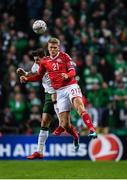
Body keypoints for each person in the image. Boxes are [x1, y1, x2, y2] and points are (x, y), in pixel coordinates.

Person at [20, 38, 97, 139]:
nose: (53, 49)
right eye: (51, 47)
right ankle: (75, 136)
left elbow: (73, 71)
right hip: (59, 92)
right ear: (48, 48)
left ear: (58, 48)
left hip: (71, 86)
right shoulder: (45, 61)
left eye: (55, 48)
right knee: (64, 124)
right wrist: (27, 79)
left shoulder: (64, 56)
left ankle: (91, 129)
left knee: (79, 107)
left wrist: (67, 75)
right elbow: (39, 76)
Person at [17, 48, 80, 159]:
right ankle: (39, 151)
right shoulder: (37, 65)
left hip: (60, 93)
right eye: (35, 60)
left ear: (44, 57)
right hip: (48, 95)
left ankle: (75, 135)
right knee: (44, 121)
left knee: (64, 125)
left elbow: (69, 68)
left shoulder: (52, 63)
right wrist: (25, 74)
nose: (36, 62)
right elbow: (35, 73)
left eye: (37, 60)